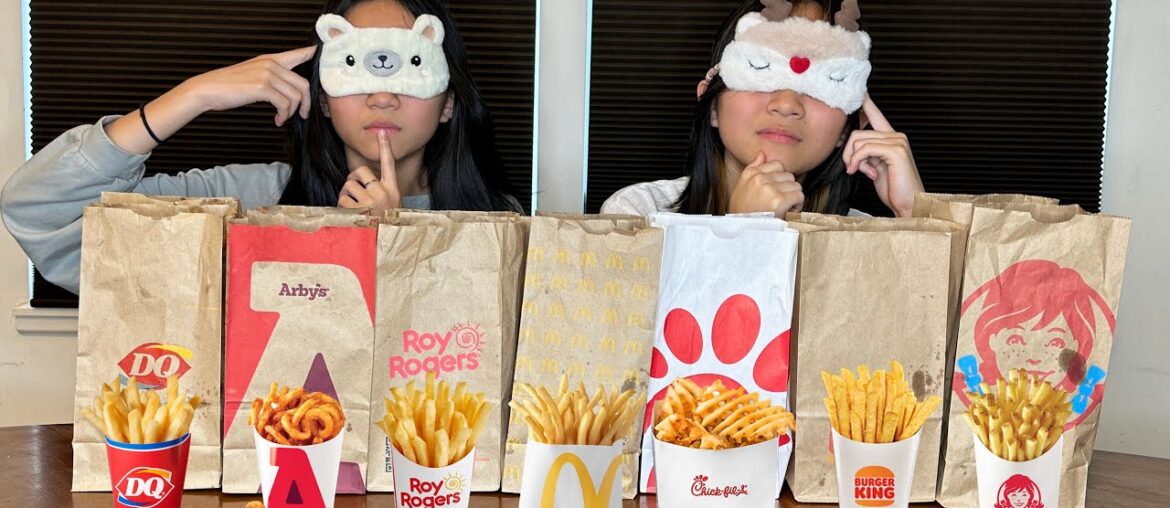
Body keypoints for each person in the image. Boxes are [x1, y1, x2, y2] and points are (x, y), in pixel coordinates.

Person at [1, 0, 520, 294]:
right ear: (320, 99)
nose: (383, 95)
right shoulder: (248, 203)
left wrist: (398, 240)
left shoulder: (498, 223)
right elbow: (41, 211)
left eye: (408, 71)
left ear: (448, 103)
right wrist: (193, 95)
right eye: (355, 67)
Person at [601, 0, 923, 218]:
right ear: (713, 103)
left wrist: (914, 215)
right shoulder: (639, 214)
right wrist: (743, 232)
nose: (786, 104)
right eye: (761, 70)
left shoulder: (868, 240)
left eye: (823, 82)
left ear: (847, 128)